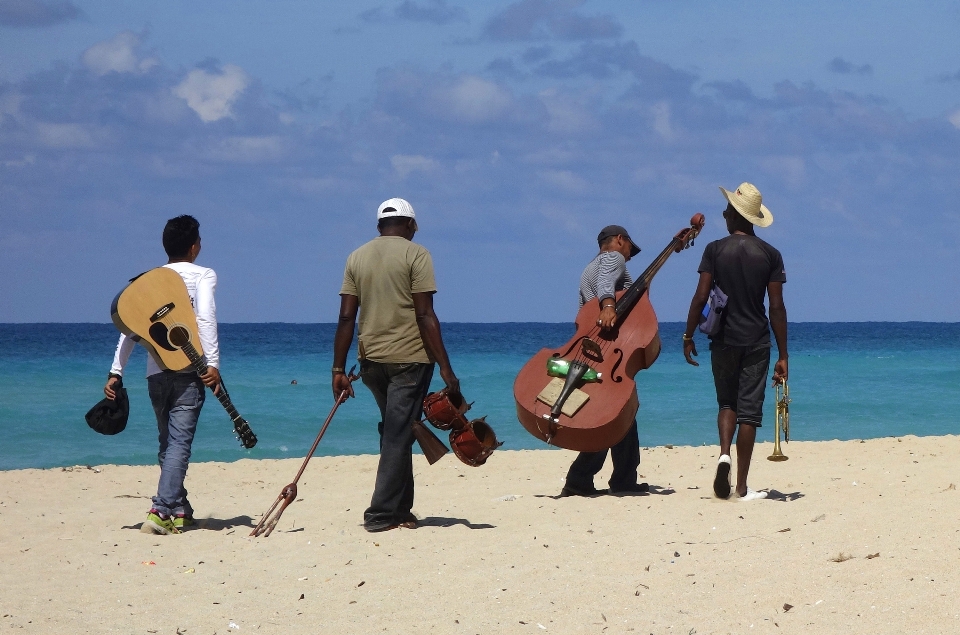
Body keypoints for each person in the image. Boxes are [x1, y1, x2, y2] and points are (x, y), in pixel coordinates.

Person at [332, 197, 460, 532]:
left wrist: (337, 370)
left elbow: (346, 317)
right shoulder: (417, 255)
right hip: (410, 359)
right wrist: (446, 368)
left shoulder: (356, 257)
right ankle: (379, 514)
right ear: (410, 225)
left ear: (379, 226)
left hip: (370, 362)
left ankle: (402, 509)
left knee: (397, 430)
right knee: (396, 433)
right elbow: (424, 314)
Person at [104, 215, 222, 534]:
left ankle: (180, 511)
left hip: (155, 374)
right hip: (189, 370)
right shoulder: (203, 275)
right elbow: (206, 320)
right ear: (195, 246)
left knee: (167, 442)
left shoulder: (150, 280)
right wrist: (212, 365)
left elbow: (129, 327)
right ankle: (160, 509)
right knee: (179, 443)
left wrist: (117, 371)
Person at [682, 182, 788, 501]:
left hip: (723, 339)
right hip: (756, 341)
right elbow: (777, 307)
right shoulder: (770, 255)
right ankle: (741, 487)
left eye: (727, 210)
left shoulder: (714, 250)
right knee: (750, 414)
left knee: (726, 403)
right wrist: (783, 354)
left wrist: (688, 335)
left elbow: (701, 296)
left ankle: (724, 454)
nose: (724, 213)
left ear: (735, 216)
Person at [560, 225, 649, 497]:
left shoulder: (590, 267)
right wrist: (609, 306)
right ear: (619, 240)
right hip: (606, 350)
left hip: (589, 346)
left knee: (621, 412)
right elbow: (605, 287)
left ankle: (622, 478)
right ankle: (580, 478)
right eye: (629, 249)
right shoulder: (614, 259)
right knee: (611, 414)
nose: (629, 256)